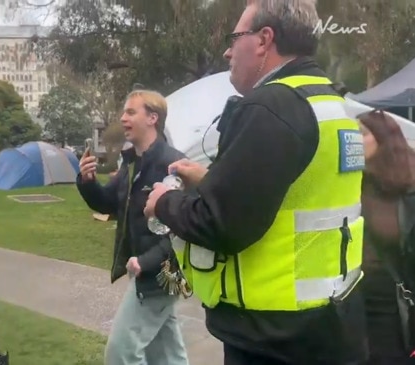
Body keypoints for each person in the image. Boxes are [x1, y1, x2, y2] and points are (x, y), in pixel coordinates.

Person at [143, 0, 368, 364]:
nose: (228, 50)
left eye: (236, 37)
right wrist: (212, 180)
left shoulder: (270, 106)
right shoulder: (330, 103)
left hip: (274, 337)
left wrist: (163, 204)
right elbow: (298, 190)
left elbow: (220, 223)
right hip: (330, 321)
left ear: (264, 40)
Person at [77, 89, 189, 365]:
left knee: (121, 352)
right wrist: (88, 181)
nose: (122, 117)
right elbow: (107, 204)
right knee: (166, 356)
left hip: (164, 272)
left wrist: (147, 261)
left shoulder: (172, 165)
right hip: (148, 270)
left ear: (152, 117)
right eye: (123, 112)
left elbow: (184, 228)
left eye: (131, 112)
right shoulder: (131, 164)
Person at [358, 110, 415, 364]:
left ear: (384, 140)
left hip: (392, 310)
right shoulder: (348, 184)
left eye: (361, 133)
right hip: (349, 307)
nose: (352, 140)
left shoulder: (407, 191)